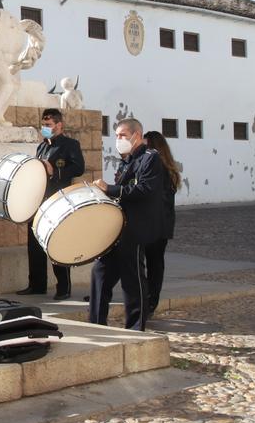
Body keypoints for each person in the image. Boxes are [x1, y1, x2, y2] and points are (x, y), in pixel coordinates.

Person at [90, 118, 166, 332]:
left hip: (136, 228)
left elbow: (144, 190)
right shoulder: (126, 160)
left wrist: (110, 189)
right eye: (116, 136)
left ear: (137, 135)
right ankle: (96, 324)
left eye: (122, 135)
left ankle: (135, 328)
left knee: (132, 280)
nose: (118, 140)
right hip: (118, 227)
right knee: (100, 273)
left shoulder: (150, 159)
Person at [18, 108, 85, 300]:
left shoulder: (70, 144)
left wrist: (54, 170)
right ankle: (37, 284)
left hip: (58, 200)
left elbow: (78, 167)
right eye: (43, 125)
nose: (44, 128)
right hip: (39, 200)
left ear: (59, 125)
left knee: (57, 243)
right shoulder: (41, 147)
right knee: (35, 244)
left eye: (48, 125)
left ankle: (63, 287)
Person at [143, 131, 180, 318]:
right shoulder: (165, 168)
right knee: (152, 263)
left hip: (158, 224)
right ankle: (148, 298)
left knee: (154, 263)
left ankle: (151, 300)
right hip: (157, 223)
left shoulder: (160, 169)